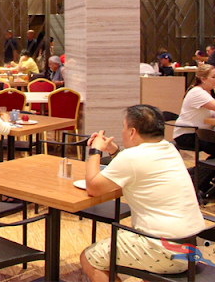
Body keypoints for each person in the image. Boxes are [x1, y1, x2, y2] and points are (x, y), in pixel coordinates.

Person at [81, 105, 205, 281]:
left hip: (165, 249)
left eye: (123, 127)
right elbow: (138, 169)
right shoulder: (170, 149)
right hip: (193, 246)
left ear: (132, 132)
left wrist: (95, 150)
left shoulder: (132, 157)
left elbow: (93, 187)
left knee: (90, 258)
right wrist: (115, 151)